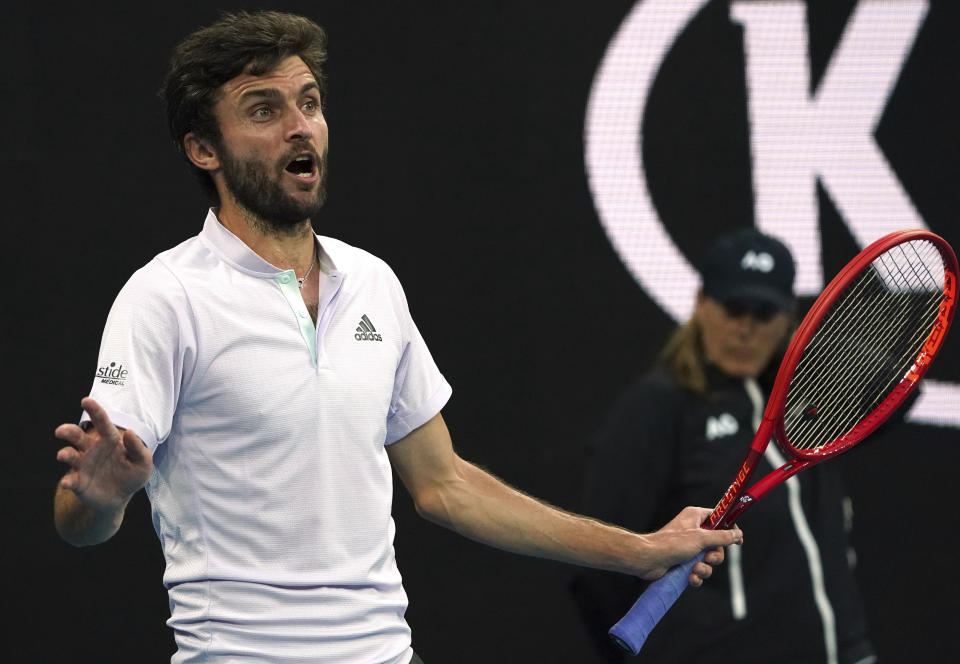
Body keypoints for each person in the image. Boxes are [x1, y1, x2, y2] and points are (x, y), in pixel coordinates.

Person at [52, 11, 742, 664]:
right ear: (204, 149)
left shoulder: (372, 282)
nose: (302, 128)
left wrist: (642, 550)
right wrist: (101, 498)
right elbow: (75, 519)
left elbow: (444, 486)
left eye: (310, 102)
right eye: (264, 110)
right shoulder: (164, 297)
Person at [570, 228, 877, 664]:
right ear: (701, 304)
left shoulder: (813, 398)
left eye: (764, 313)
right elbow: (599, 564)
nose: (746, 329)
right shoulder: (657, 406)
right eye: (734, 309)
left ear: (789, 319)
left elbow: (899, 396)